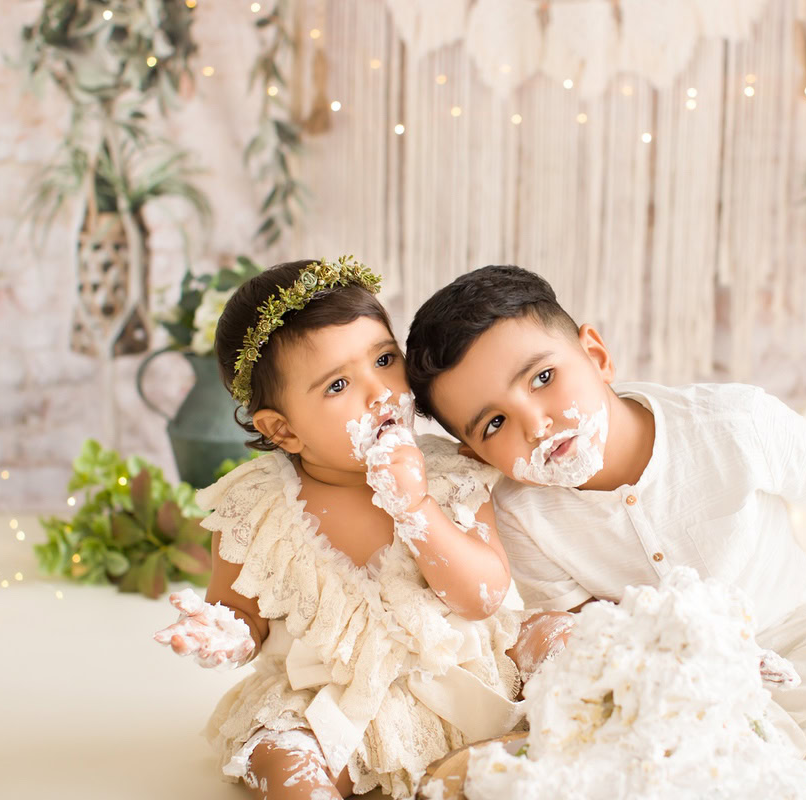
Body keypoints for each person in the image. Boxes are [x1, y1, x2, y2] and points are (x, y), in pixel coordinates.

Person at [403, 264, 806, 757]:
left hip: (782, 629)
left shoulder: (729, 422)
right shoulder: (518, 510)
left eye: (543, 378)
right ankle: (709, 744)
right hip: (659, 667)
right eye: (495, 423)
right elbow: (575, 621)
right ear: (473, 448)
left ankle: (712, 748)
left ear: (595, 355)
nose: (537, 423)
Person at [153, 258, 549, 799]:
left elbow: (483, 596)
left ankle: (566, 745)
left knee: (559, 635)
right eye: (338, 384)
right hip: (331, 701)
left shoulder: (449, 473)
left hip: (466, 676)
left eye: (385, 359)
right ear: (283, 429)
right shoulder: (254, 507)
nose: (379, 390)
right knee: (282, 754)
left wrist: (416, 507)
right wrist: (228, 632)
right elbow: (240, 610)